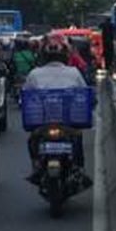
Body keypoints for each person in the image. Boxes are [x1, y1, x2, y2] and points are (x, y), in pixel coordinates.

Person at [23, 35, 91, 185]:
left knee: (32, 140)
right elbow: (84, 93)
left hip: (42, 122)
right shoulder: (74, 72)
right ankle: (79, 169)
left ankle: (36, 167)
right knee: (77, 138)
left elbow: (25, 96)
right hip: (68, 121)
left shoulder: (34, 73)